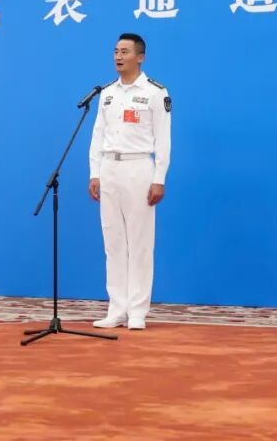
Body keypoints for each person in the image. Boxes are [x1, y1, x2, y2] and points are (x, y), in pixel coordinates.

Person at [88, 33, 171, 331]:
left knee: (139, 243)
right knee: (113, 243)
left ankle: (137, 310)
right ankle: (117, 308)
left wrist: (159, 178)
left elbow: (163, 139)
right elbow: (98, 134)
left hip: (138, 168)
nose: (118, 57)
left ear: (140, 57)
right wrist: (95, 172)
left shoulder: (155, 92)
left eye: (124, 51)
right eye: (115, 51)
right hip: (109, 167)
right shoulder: (107, 93)